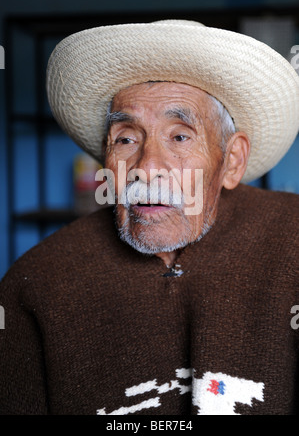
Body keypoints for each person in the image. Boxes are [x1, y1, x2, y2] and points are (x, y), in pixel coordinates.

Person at [0, 20, 299, 415]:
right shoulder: (37, 284)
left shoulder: (292, 244)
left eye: (180, 136)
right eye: (126, 138)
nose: (147, 167)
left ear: (232, 160)